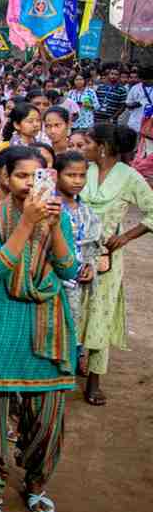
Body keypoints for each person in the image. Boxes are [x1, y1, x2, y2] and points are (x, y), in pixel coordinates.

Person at [0, 146, 77, 512]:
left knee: (47, 417)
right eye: (22, 176)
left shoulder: (60, 217)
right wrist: (27, 223)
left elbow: (68, 269)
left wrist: (53, 227)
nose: (30, 184)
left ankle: (37, 482)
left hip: (48, 321)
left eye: (37, 176)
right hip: (0, 319)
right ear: (4, 177)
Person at [78, 124, 153, 406]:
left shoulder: (129, 177)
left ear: (103, 147)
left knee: (100, 311)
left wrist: (126, 236)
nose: (83, 148)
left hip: (106, 257)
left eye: (88, 143)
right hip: (75, 251)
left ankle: (94, 379)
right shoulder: (83, 170)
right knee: (73, 308)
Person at [53, 151, 101, 361]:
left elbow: (93, 248)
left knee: (74, 327)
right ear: (56, 175)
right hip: (55, 282)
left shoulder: (88, 212)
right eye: (71, 175)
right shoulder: (50, 207)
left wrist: (91, 267)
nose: (77, 181)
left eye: (82, 176)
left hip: (79, 283)